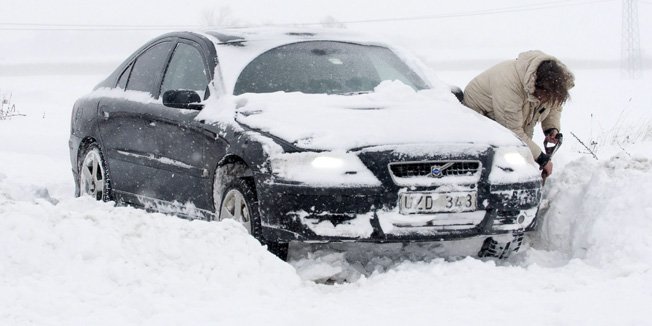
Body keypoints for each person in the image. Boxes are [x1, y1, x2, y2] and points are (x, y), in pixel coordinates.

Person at [463, 50, 574, 180]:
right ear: (536, 88)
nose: (545, 101)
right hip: (479, 122)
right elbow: (513, 133)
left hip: (509, 123)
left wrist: (551, 128)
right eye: (544, 98)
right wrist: (542, 159)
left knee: (521, 161)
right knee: (497, 169)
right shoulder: (510, 85)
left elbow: (554, 104)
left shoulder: (549, 81)